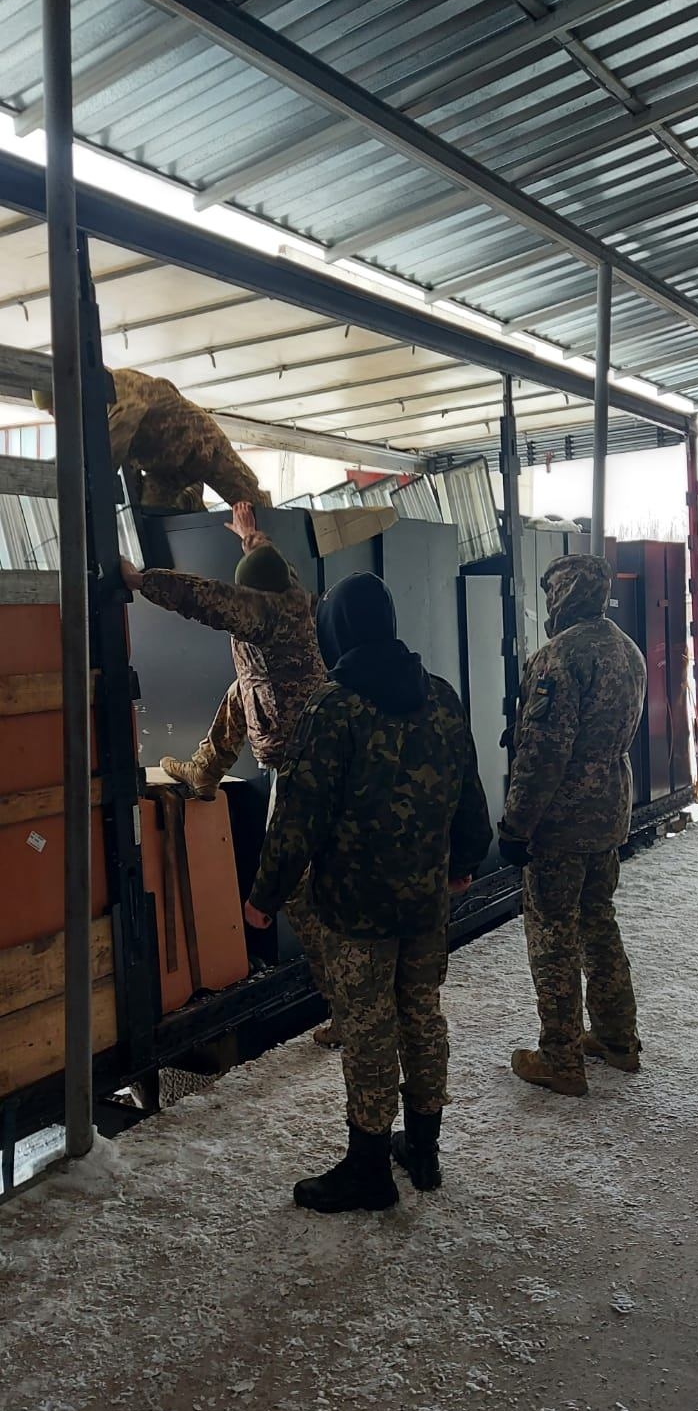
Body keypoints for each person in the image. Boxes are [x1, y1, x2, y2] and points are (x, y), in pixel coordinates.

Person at [245, 572, 492, 1214]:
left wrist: (264, 896)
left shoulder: (334, 707)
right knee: (422, 1015)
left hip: (356, 909)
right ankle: (425, 1150)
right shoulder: (439, 695)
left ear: (337, 631)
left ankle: (368, 1168)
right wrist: (466, 860)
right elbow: (468, 789)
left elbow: (298, 816)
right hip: (427, 901)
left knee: (369, 1027)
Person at [119, 503, 340, 1047]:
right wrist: (249, 536)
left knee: (295, 886)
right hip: (316, 742)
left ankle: (345, 1004)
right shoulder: (290, 589)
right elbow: (269, 562)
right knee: (242, 689)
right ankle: (205, 769)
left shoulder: (264, 613)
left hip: (294, 763)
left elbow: (207, 598)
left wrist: (142, 581)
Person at [498, 553, 647, 1098]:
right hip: (609, 810)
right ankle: (617, 1037)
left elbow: (543, 754)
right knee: (598, 921)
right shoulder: (627, 650)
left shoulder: (559, 657)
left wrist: (516, 825)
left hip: (561, 820)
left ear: (562, 594)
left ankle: (560, 1057)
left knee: (552, 933)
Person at [34, 366, 269, 512]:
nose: (55, 417)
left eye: (56, 409)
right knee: (152, 517)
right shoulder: (92, 408)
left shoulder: (117, 389)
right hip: (163, 468)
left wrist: (87, 479)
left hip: (200, 443)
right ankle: (191, 499)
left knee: (252, 505)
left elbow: (108, 451)